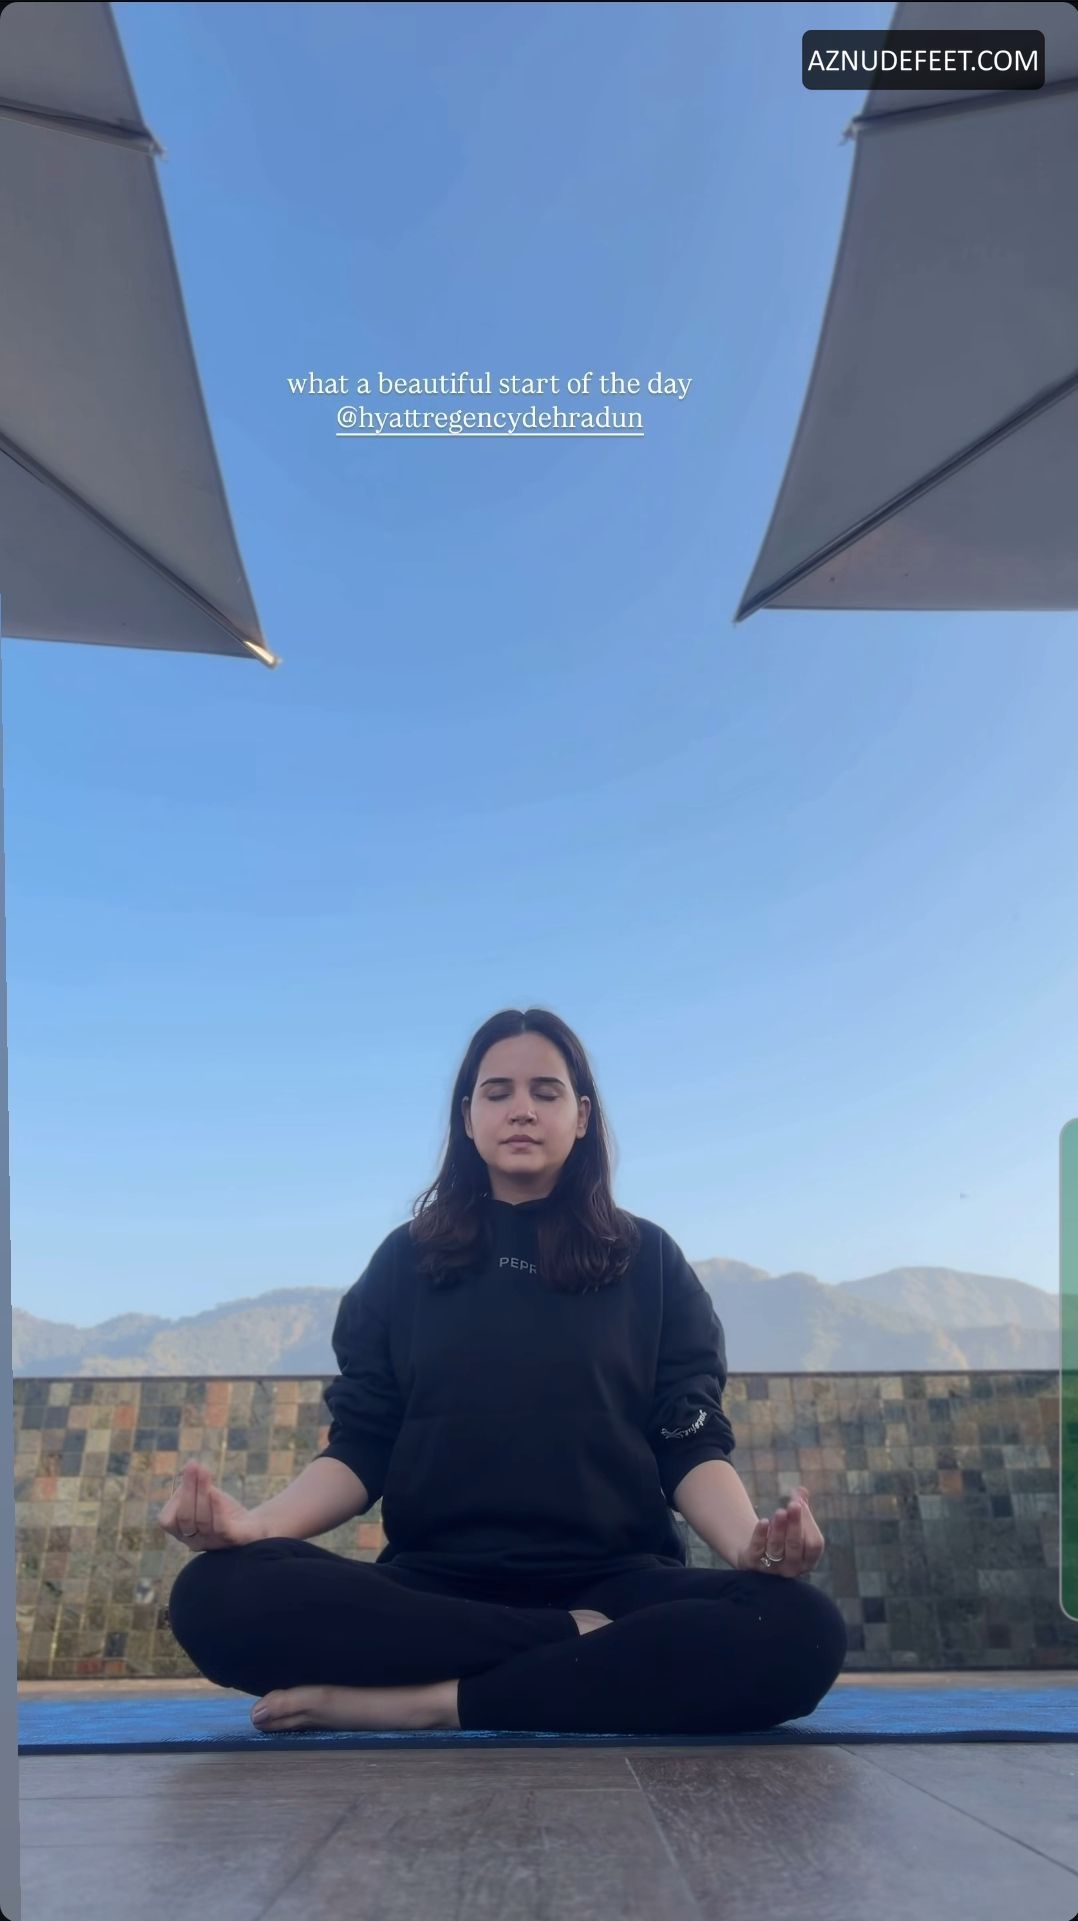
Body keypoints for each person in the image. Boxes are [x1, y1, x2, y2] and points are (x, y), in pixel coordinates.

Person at [162, 1007, 847, 1737]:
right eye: (498, 1092)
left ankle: (432, 1702)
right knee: (214, 1595)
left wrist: (747, 1546)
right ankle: (567, 1646)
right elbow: (363, 1444)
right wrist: (254, 1526)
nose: (522, 1109)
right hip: (436, 1588)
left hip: (617, 1581)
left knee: (800, 1629)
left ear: (582, 1117)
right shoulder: (405, 1262)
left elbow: (689, 1439)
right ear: (467, 1116)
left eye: (546, 1091)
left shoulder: (647, 1259)